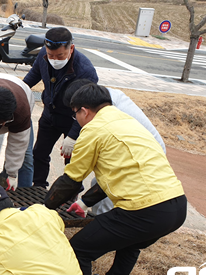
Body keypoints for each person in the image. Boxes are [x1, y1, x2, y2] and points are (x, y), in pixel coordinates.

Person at [44, 83, 187, 275]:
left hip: (143, 210)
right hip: (176, 205)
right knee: (131, 242)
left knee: (80, 248)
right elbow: (119, 174)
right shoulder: (128, 123)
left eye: (75, 116)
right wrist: (84, 203)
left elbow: (70, 182)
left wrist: (44, 207)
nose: (77, 121)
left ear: (84, 111)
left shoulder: (92, 130)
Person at [60, 79, 167, 215]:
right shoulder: (105, 100)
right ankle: (97, 219)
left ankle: (105, 222)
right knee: (98, 183)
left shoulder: (109, 112)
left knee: (110, 191)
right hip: (141, 147)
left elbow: (76, 172)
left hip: (147, 152)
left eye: (75, 112)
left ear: (84, 107)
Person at [22, 27, 98, 188]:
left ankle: (71, 193)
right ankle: (38, 186)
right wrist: (17, 89)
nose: (54, 59)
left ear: (71, 48)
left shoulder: (85, 71)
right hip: (50, 113)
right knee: (40, 153)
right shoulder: (44, 54)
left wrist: (73, 135)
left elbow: (88, 107)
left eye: (60, 55)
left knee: (72, 160)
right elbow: (32, 77)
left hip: (73, 118)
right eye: (51, 55)